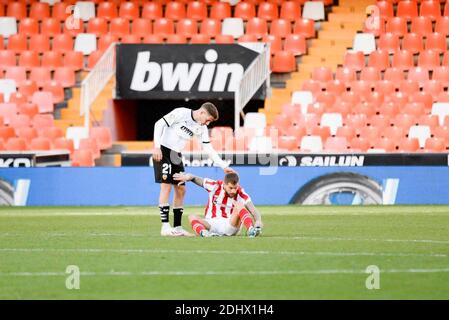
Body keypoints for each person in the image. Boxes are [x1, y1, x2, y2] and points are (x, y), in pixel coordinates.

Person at [153, 102, 235, 237]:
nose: (207, 123)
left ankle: (177, 227)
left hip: (176, 155)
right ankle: (165, 226)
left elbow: (208, 148)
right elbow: (159, 124)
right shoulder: (181, 113)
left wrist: (223, 166)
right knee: (166, 187)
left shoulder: (201, 128)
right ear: (202, 113)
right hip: (163, 150)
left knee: (181, 189)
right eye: (208, 119)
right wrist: (156, 146)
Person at [173, 171, 263, 237]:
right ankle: (205, 234)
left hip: (230, 224)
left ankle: (251, 230)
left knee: (239, 205)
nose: (233, 191)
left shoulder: (241, 192)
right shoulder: (215, 186)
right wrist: (188, 177)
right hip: (211, 224)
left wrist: (258, 222)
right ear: (224, 184)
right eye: (231, 188)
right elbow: (195, 178)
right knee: (191, 217)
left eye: (235, 188)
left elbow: (253, 210)